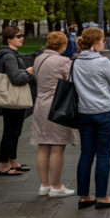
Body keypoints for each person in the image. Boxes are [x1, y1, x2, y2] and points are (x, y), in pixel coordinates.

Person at [73, 27, 110, 209]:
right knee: (103, 155)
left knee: (86, 154)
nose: (104, 43)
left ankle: (84, 196)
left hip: (84, 112)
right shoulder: (102, 61)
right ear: (95, 43)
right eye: (102, 40)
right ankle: (102, 196)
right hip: (105, 112)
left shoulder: (76, 61)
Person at [30, 31, 78, 198]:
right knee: (57, 146)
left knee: (42, 146)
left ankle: (44, 185)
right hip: (57, 105)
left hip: (40, 104)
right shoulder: (64, 61)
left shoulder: (38, 59)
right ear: (64, 45)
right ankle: (56, 186)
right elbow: (72, 81)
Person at [0, 26, 35, 175]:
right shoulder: (9, 56)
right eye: (18, 36)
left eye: (22, 35)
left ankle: (13, 161)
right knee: (10, 132)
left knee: (15, 131)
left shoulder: (11, 54)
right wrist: (28, 72)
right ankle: (4, 166)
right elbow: (17, 78)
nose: (21, 38)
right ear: (8, 39)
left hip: (12, 98)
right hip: (12, 98)